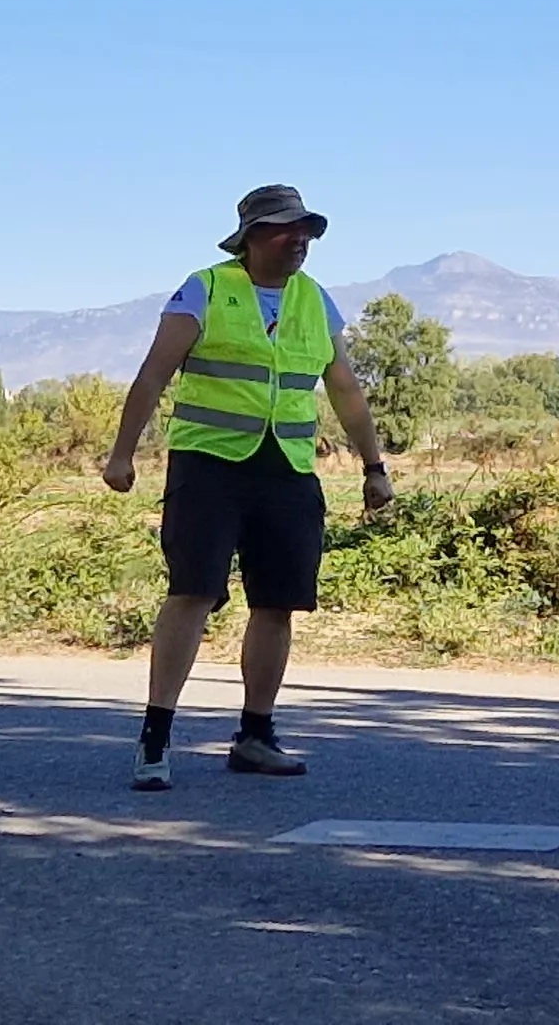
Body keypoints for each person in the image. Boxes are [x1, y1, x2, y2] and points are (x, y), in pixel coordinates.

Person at [101, 183, 394, 791]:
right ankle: (155, 737)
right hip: (210, 465)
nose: (300, 241)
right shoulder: (205, 289)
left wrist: (374, 465)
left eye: (306, 231)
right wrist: (122, 454)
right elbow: (154, 374)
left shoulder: (315, 300)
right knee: (193, 592)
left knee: (278, 602)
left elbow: (344, 388)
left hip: (286, 468)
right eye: (287, 229)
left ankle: (255, 735)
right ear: (253, 237)